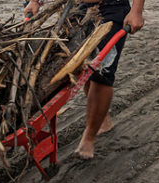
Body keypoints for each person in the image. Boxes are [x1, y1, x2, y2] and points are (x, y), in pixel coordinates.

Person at [24, 0, 145, 159]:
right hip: (78, 8)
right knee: (83, 67)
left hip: (112, 9)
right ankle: (103, 119)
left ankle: (89, 138)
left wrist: (136, 11)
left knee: (101, 74)